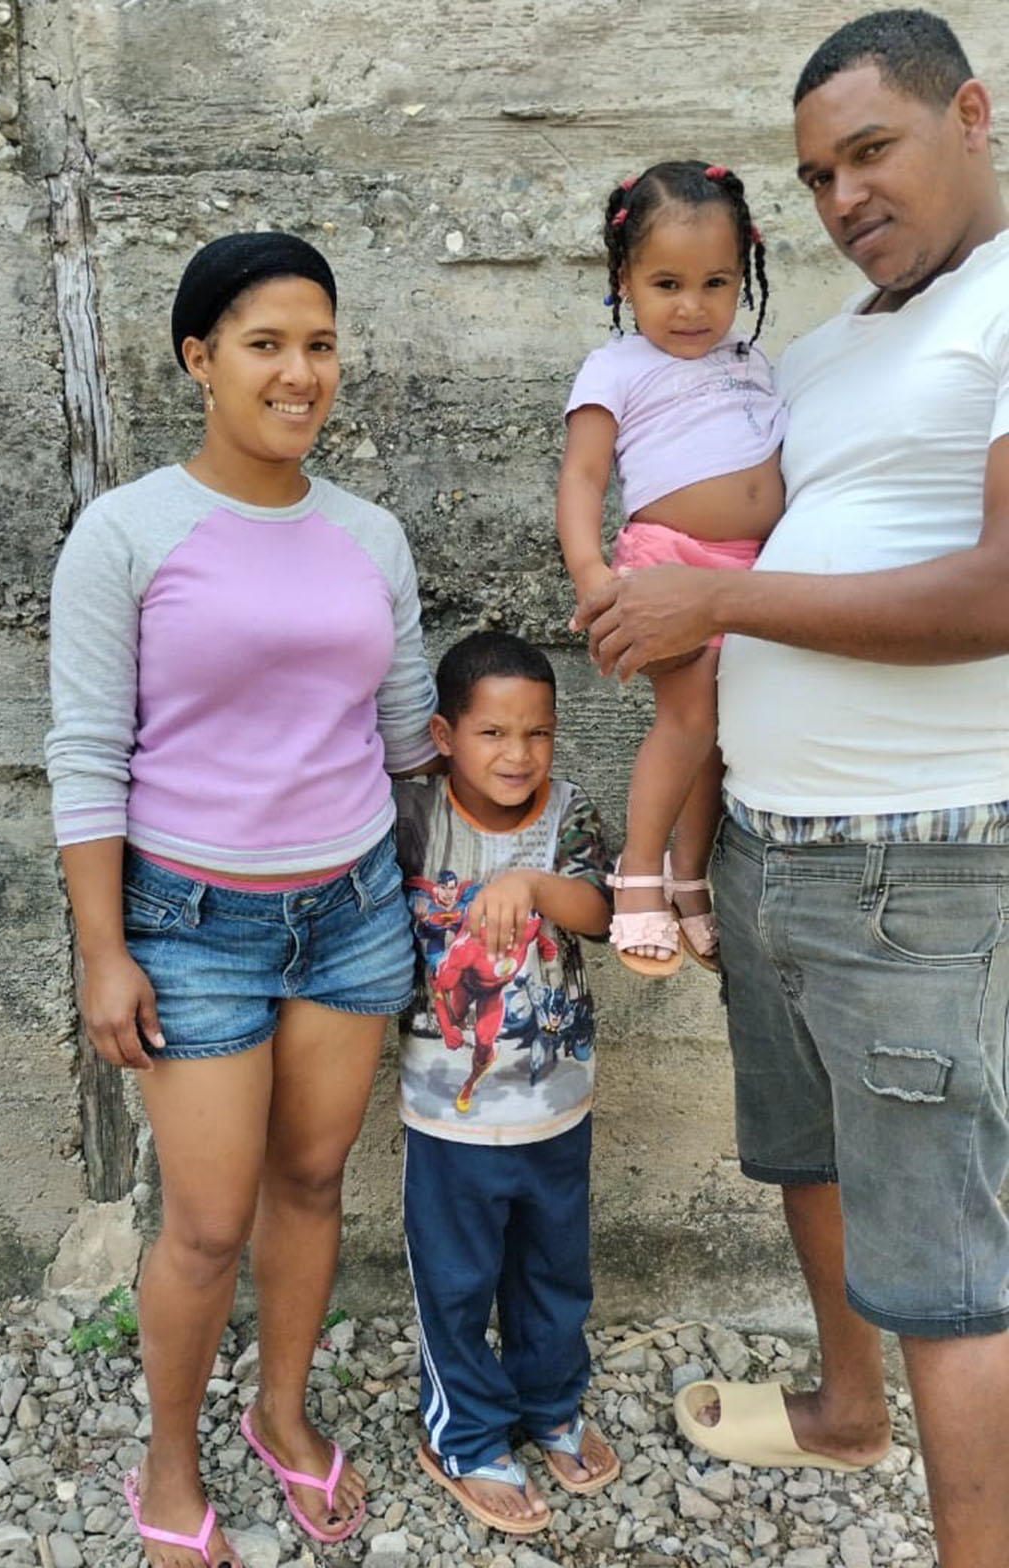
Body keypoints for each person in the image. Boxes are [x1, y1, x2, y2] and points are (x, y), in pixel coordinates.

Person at [575, 11, 1009, 1567]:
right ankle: (844, 1409)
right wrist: (607, 530)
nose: (843, 198)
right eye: (819, 175)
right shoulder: (823, 348)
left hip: (919, 858)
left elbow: (1001, 591)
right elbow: (743, 503)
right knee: (806, 1157)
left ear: (972, 114)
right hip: (767, 844)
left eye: (871, 152)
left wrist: (720, 609)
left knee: (951, 1259)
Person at [45, 232, 438, 1568]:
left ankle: (281, 1412)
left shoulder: (369, 535)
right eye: (266, 344)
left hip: (350, 911)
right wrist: (104, 950)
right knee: (207, 1221)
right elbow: (89, 754)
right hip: (190, 923)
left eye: (319, 343)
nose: (300, 371)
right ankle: (170, 1456)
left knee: (313, 1178)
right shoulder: (128, 533)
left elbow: (403, 739)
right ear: (198, 359)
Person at [393, 631, 619, 1535]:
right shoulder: (414, 818)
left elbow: (600, 912)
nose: (517, 755)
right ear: (445, 735)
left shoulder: (568, 814)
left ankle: (550, 1403)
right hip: (450, 1122)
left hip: (558, 1105)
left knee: (555, 1273)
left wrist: (527, 881)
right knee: (455, 1280)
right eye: (492, 733)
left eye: (538, 734)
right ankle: (466, 1434)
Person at [557, 161, 786, 976]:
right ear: (625, 279)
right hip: (667, 562)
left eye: (715, 282)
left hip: (752, 571)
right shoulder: (614, 367)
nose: (692, 307)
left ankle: (692, 879)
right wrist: (593, 574)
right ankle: (640, 875)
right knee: (686, 723)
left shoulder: (753, 361)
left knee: (718, 739)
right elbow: (584, 479)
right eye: (667, 283)